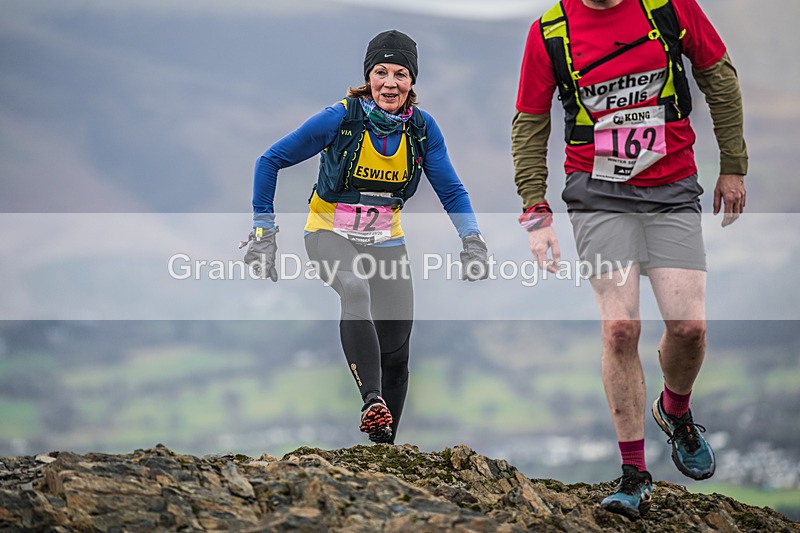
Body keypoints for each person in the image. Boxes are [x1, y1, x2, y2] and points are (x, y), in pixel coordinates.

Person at [512, 0, 747, 520]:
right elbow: (529, 124)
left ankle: (676, 412)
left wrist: (733, 165)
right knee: (620, 327)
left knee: (688, 328)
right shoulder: (550, 30)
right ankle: (634, 475)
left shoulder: (668, 7)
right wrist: (536, 209)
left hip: (671, 186)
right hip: (596, 194)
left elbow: (719, 78)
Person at [243, 30, 489, 445]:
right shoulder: (339, 118)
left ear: (412, 82)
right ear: (368, 77)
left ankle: (384, 450)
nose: (390, 83)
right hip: (327, 235)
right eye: (381, 72)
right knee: (354, 289)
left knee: (397, 352)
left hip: (386, 243)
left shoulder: (423, 130)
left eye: (400, 74)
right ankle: (371, 400)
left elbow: (452, 190)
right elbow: (269, 160)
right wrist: (264, 232)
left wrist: (473, 240)